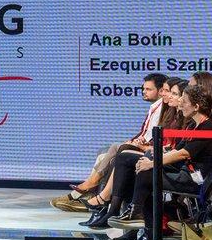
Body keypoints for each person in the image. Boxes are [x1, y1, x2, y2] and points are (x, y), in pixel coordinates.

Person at [113, 84, 212, 240]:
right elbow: (177, 150)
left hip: (193, 180)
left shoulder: (208, 127)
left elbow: (183, 154)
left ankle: (140, 218)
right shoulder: (192, 125)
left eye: (184, 101)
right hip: (183, 171)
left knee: (148, 172)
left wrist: (152, 162)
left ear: (196, 106)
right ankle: (129, 211)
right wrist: (149, 157)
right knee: (127, 158)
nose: (180, 103)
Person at [51, 72, 166, 213]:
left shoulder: (164, 108)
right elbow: (145, 132)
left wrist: (141, 144)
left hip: (151, 151)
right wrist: (135, 139)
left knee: (117, 150)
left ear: (160, 91)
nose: (144, 92)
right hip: (145, 145)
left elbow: (159, 135)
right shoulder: (154, 107)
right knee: (103, 154)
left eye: (148, 89)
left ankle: (95, 194)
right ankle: (89, 195)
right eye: (143, 88)